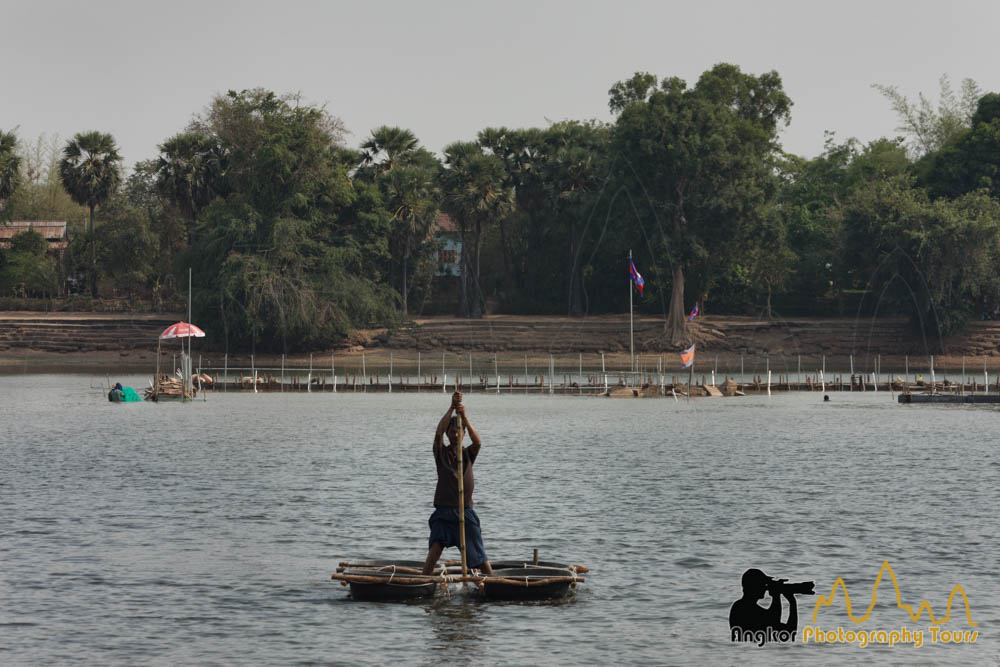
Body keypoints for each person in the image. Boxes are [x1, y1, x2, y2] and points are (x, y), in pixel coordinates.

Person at [422, 392, 493, 575]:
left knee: (477, 554)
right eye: (451, 432)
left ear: (463, 434)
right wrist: (452, 407)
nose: (455, 435)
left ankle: (491, 582)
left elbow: (478, 441)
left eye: (458, 432)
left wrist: (464, 418)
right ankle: (425, 580)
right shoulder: (441, 453)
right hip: (444, 512)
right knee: (435, 550)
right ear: (448, 434)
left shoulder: (468, 454)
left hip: (465, 511)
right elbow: (438, 433)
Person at [729, 568, 797, 633]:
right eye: (763, 584)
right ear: (754, 586)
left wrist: (792, 602)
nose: (765, 588)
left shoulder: (742, 606)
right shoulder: (742, 608)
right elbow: (773, 621)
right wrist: (776, 595)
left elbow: (790, 631)